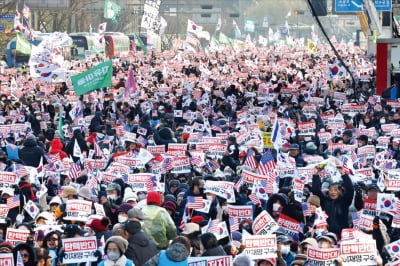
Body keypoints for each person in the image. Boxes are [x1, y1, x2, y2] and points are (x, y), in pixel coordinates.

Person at [312, 164, 355, 236]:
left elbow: (350, 190)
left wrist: (343, 174)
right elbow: (315, 190)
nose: (333, 192)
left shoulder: (344, 201)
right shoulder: (324, 201)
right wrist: (316, 174)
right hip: (326, 234)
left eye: (335, 190)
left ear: (340, 191)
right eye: (331, 190)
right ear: (328, 191)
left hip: (342, 235)